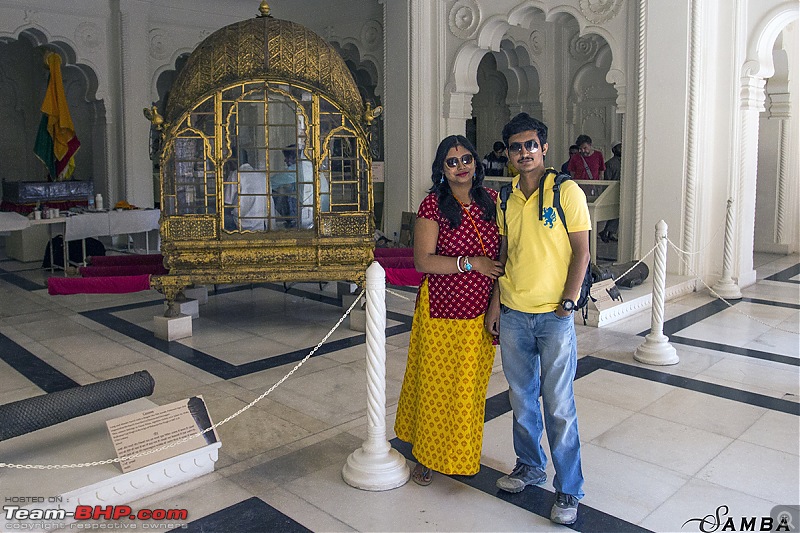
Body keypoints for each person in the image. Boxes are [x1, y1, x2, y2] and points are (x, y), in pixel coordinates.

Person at [485, 113, 590, 526]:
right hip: (513, 314)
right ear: (509, 153)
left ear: (544, 148)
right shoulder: (506, 197)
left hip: (553, 317)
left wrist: (568, 302)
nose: (524, 152)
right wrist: (496, 305)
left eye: (531, 145)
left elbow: (581, 252)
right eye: (516, 146)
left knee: (559, 404)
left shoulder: (566, 191)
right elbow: (504, 256)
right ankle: (529, 466)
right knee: (521, 397)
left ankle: (569, 488)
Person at [394, 134, 505, 487]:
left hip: (479, 313)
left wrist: (496, 305)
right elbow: (423, 261)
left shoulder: (493, 201)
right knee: (434, 386)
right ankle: (425, 456)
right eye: (452, 162)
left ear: (476, 162)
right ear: (441, 169)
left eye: (466, 159)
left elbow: (503, 258)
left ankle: (459, 453)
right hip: (440, 310)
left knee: (468, 389)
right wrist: (471, 263)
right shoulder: (433, 205)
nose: (461, 167)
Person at [599, 142, 621, 242]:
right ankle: (605, 231)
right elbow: (607, 179)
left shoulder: (624, 162)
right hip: (612, 191)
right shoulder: (610, 163)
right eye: (619, 147)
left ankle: (610, 232)